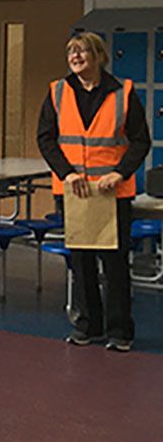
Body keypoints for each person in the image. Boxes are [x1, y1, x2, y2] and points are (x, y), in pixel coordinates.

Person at [37, 31, 150, 352]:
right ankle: (88, 325)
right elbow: (46, 138)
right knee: (81, 260)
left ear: (100, 56)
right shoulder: (57, 92)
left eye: (83, 52)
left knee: (114, 263)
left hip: (112, 190)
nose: (75, 57)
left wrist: (120, 172)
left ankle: (120, 332)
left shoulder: (123, 92)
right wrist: (67, 173)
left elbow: (141, 140)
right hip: (75, 190)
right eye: (71, 52)